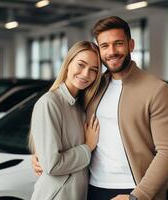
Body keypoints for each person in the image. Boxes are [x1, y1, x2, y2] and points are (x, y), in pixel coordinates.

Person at [33, 16, 168, 200]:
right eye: (104, 46)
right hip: (91, 188)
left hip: (133, 190)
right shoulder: (93, 86)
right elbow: (62, 120)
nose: (112, 51)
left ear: (131, 45)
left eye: (118, 43)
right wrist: (40, 155)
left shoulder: (157, 90)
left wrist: (137, 195)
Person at [29, 41, 102, 200]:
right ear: (68, 64)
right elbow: (52, 165)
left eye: (93, 70)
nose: (85, 74)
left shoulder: (80, 105)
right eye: (81, 65)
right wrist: (87, 147)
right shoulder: (49, 102)